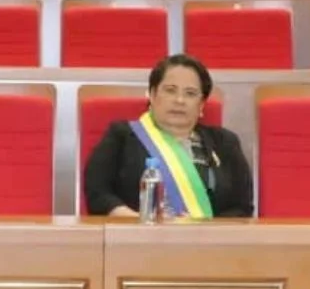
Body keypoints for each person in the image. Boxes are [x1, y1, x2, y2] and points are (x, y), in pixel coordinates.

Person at [83, 54, 253, 218]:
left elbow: (242, 207)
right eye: (170, 90)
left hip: (209, 244)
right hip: (137, 240)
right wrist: (140, 220)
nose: (179, 100)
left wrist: (203, 230)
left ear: (201, 104)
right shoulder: (122, 136)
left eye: (190, 93)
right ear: (152, 94)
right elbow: (98, 194)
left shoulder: (225, 143)